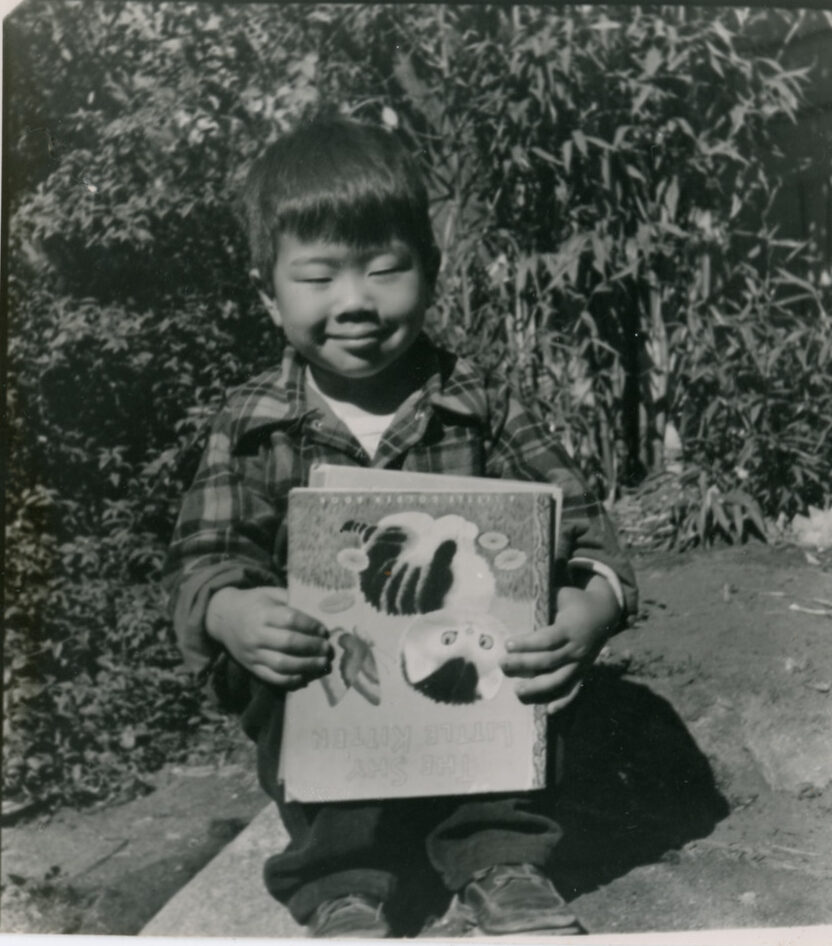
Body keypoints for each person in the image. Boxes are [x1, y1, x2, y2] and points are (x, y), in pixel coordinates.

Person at [163, 114, 638, 938]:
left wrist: (589, 607)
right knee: (294, 648)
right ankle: (342, 880)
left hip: (469, 675)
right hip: (337, 686)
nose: (356, 303)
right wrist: (232, 613)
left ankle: (500, 855)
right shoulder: (252, 422)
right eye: (318, 277)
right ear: (268, 295)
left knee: (523, 637)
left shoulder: (481, 404)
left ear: (432, 271)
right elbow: (206, 554)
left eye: (386, 269)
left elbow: (586, 527)